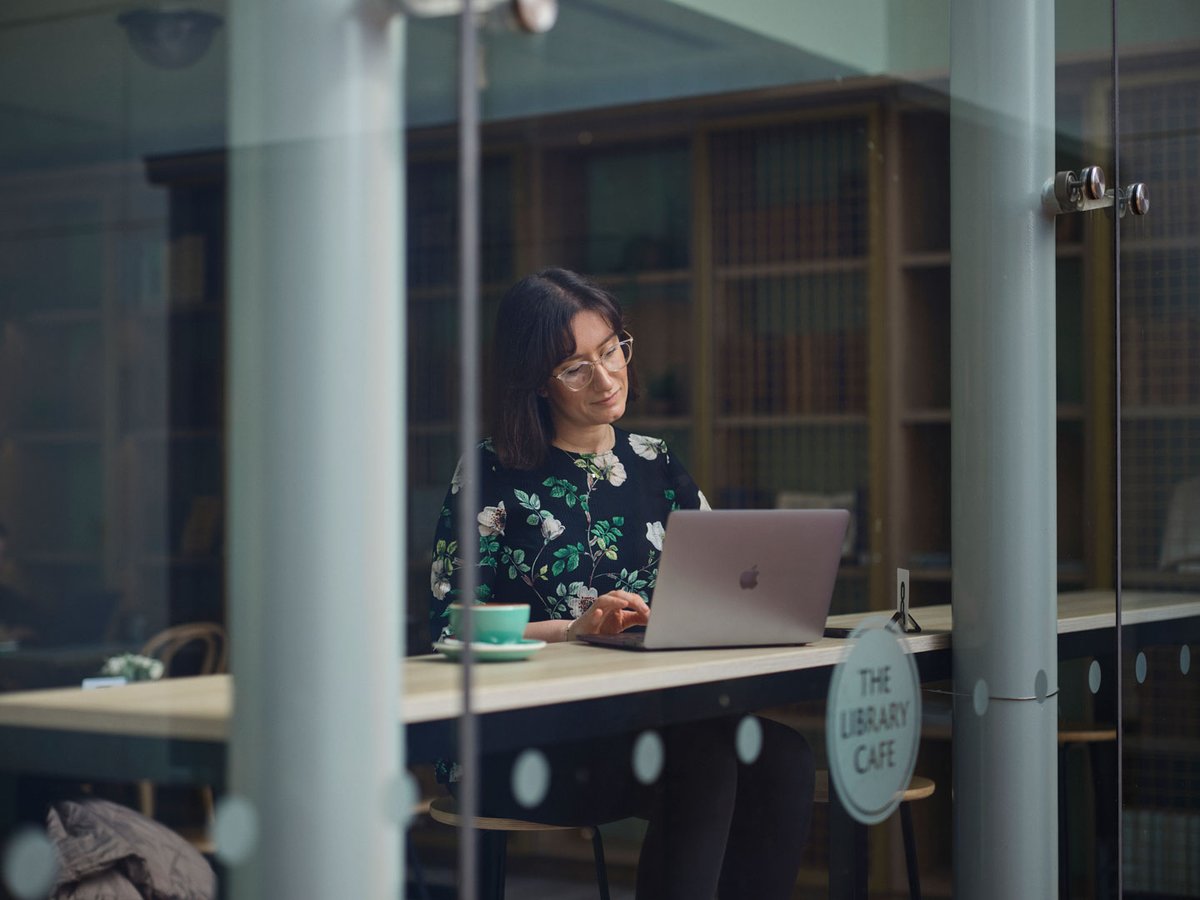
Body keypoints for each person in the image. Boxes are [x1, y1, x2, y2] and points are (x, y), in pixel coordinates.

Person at [429, 268, 814, 899]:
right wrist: (573, 630)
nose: (606, 378)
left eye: (610, 351)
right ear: (535, 382)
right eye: (575, 367)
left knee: (783, 759)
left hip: (638, 721)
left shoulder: (656, 462)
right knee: (705, 756)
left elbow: (723, 583)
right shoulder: (492, 469)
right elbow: (452, 622)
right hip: (519, 738)